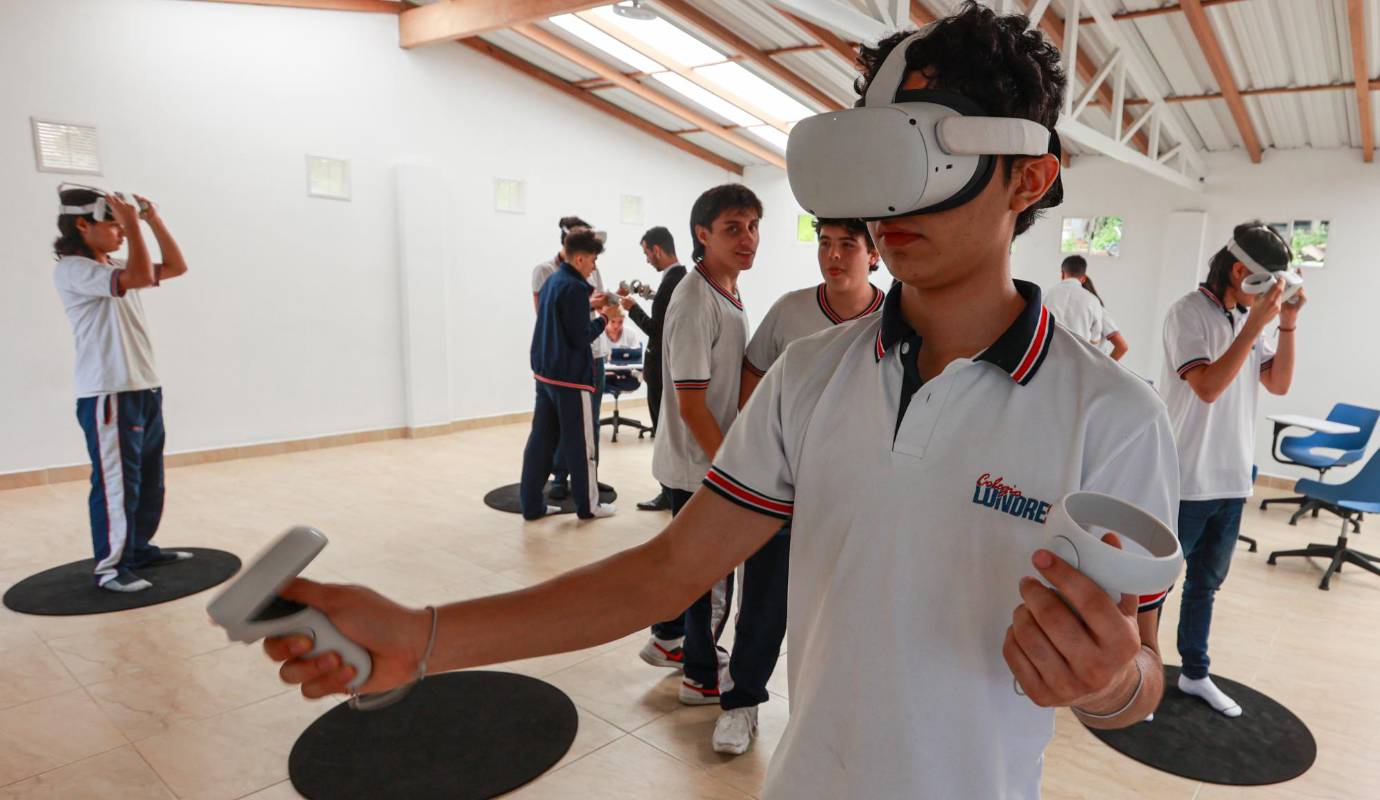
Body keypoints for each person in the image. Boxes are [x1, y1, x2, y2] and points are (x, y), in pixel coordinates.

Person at [262, 7, 1176, 797]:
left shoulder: (1114, 418)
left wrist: (1104, 685)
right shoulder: (811, 376)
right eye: (878, 155)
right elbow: (665, 573)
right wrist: (422, 638)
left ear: (1028, 177)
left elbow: (1140, 674)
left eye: (927, 153)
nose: (890, 200)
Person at [710, 216, 884, 756]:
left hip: (859, 495)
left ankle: (833, 714)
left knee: (847, 609)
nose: (833, 256)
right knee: (764, 602)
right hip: (785, 491)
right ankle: (741, 704)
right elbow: (753, 372)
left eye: (847, 246)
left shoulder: (899, 316)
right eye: (825, 244)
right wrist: (760, 446)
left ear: (873, 254)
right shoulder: (790, 310)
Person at [1160, 221, 1303, 717]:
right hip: (1185, 479)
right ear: (1241, 271)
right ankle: (1136, 673)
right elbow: (1207, 386)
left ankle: (1194, 673)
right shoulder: (1188, 314)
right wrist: (1255, 326)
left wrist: (1284, 324)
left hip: (1232, 478)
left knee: (1206, 585)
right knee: (1153, 586)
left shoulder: (1247, 318)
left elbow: (1278, 383)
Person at [640, 184, 760, 700]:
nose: (748, 238)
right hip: (700, 464)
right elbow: (692, 405)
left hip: (698, 459)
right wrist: (730, 472)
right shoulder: (694, 301)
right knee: (711, 573)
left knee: (692, 563)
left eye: (754, 227)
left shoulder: (724, 288)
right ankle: (701, 675)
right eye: (733, 228)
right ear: (702, 234)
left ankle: (669, 639)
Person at [52, 186, 193, 592]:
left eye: (121, 227)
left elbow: (176, 268)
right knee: (117, 483)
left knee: (150, 479)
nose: (122, 234)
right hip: (108, 392)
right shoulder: (73, 269)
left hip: (143, 386)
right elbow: (136, 276)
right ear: (82, 225)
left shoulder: (112, 263)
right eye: (113, 226)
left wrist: (151, 220)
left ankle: (139, 548)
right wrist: (132, 221)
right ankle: (111, 568)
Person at [518, 229, 617, 521]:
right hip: (570, 379)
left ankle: (532, 506)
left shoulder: (553, 281)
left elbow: (562, 316)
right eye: (593, 260)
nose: (594, 266)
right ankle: (590, 506)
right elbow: (580, 335)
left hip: (545, 374)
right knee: (581, 445)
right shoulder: (574, 288)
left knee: (541, 441)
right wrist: (605, 318)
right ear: (580, 257)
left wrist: (590, 306)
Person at [619, 226, 687, 512]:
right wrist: (650, 296)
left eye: (647, 253)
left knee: (663, 433)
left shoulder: (673, 282)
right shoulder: (680, 278)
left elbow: (655, 329)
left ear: (657, 249)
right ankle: (671, 491)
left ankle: (668, 493)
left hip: (660, 372)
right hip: (667, 371)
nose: (647, 259)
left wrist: (631, 307)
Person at [1044, 254, 1128, 360]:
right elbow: (1095, 338)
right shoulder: (1093, 301)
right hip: (1080, 362)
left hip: (1049, 359)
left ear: (1062, 274)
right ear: (1083, 278)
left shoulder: (1045, 294)